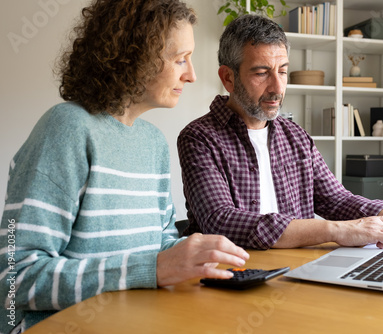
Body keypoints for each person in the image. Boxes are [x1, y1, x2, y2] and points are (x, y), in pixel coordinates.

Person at [0, 1, 249, 332]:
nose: (191, 75)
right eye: (180, 60)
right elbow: (16, 278)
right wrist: (152, 268)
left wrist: (197, 254)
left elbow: (158, 245)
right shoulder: (66, 130)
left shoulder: (154, 143)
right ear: (135, 58)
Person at [177, 14, 383, 250]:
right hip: (231, 276)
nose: (277, 87)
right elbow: (221, 221)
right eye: (262, 73)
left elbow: (336, 200)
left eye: (282, 72)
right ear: (228, 78)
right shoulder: (200, 138)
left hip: (296, 271)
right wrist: (335, 230)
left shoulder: (295, 136)